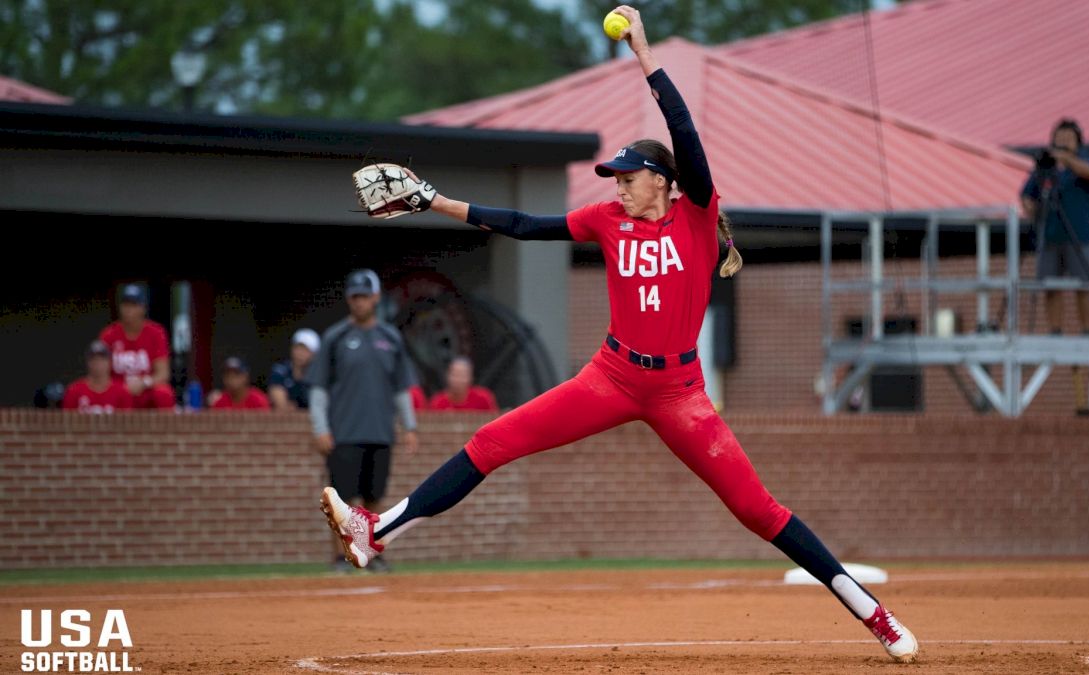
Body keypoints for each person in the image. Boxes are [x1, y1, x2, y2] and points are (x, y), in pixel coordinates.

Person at [322, 7, 917, 663]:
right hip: (610, 376)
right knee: (493, 439)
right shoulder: (608, 218)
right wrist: (437, 201)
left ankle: (873, 613)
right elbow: (524, 223)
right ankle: (376, 531)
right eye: (616, 178)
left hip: (680, 393)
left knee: (760, 511)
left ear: (660, 182)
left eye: (628, 177)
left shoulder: (695, 214)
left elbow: (684, 133)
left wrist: (643, 54)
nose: (619, 187)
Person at [309, 268, 421, 572]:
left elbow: (401, 388)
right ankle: (339, 558)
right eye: (354, 297)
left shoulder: (390, 338)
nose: (359, 302)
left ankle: (372, 554)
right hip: (344, 431)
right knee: (341, 501)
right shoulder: (335, 338)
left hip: (381, 431)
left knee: (374, 497)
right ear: (348, 299)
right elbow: (318, 389)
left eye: (364, 296)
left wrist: (409, 426)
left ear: (375, 298)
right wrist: (320, 428)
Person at [1020, 118, 1089, 335]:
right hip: (1050, 235)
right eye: (1059, 137)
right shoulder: (1046, 167)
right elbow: (1027, 194)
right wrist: (1031, 208)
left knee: (1084, 285)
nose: (1063, 142)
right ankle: (1055, 329)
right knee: (1050, 285)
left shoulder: (1085, 161)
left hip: (1081, 236)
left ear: (1078, 141)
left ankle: (1087, 329)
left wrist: (1066, 159)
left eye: (1068, 138)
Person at [99, 283, 176, 409]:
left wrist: (144, 382)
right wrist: (121, 388)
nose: (129, 309)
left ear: (143, 308)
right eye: (125, 304)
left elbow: (163, 373)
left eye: (134, 305)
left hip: (144, 389)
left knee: (164, 393)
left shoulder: (156, 332)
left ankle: (166, 428)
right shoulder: (109, 335)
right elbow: (101, 373)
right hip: (119, 390)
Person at [62, 340, 134, 414]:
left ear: (110, 362)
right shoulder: (74, 390)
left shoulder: (121, 392)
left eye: (102, 359)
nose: (98, 363)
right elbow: (67, 420)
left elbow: (126, 422)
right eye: (94, 359)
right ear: (87, 362)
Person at [269, 328, 321, 410]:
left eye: (305, 350)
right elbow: (282, 407)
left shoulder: (319, 375)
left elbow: (320, 408)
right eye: (297, 348)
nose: (300, 353)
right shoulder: (280, 371)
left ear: (315, 354)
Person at [429, 356, 498, 412]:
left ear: (471, 378)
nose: (458, 380)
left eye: (462, 375)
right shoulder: (438, 401)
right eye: (454, 375)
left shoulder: (484, 398)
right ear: (447, 376)